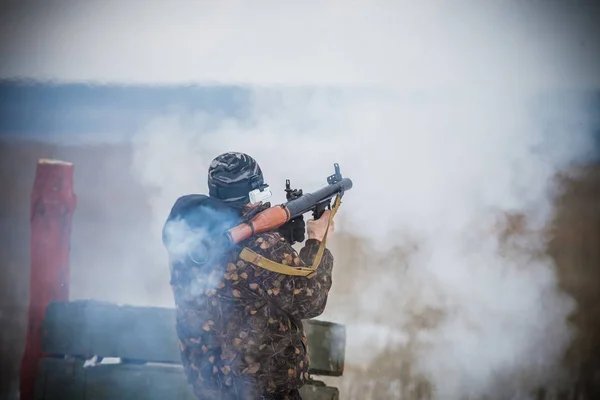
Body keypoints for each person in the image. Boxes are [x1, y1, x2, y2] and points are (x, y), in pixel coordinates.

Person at [162, 152, 336, 400]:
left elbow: (238, 284)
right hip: (264, 391)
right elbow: (312, 300)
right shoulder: (262, 246)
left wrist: (280, 237)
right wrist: (317, 239)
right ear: (254, 193)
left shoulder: (191, 240)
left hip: (210, 388)